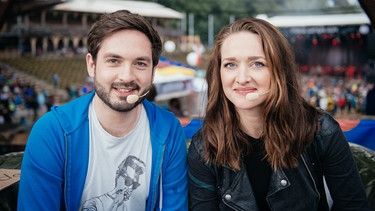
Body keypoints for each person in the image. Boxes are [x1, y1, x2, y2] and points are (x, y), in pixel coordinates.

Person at [187, 17, 370, 210]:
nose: (242, 78)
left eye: (257, 63)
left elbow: (353, 206)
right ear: (218, 73)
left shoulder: (321, 131)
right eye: (230, 64)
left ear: (279, 71)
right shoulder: (203, 147)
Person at [18, 10, 188, 211]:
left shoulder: (169, 131)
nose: (126, 76)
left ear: (153, 71)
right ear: (92, 65)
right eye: (113, 61)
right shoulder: (52, 132)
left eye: (140, 63)